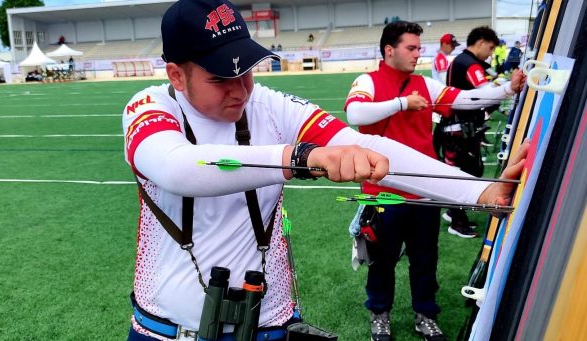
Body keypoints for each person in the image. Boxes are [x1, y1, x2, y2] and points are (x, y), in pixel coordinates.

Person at [122, 2, 528, 340]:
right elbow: (176, 168)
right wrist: (301, 158)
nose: (240, 90)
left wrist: (478, 192)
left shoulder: (266, 102)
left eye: (245, 70)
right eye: (220, 78)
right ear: (176, 74)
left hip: (268, 324)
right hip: (166, 329)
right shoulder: (150, 106)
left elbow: (367, 146)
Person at [344, 21, 525, 341]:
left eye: (418, 48)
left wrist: (508, 89)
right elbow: (355, 114)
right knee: (382, 261)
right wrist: (402, 103)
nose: (418, 53)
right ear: (389, 50)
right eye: (411, 48)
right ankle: (379, 315)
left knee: (425, 260)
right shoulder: (367, 80)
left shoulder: (423, 84)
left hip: (427, 192)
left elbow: (465, 100)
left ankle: (425, 315)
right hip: (382, 194)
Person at [438, 26, 504, 238]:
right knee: (464, 175)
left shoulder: (462, 61)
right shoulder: (469, 64)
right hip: (459, 130)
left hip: (456, 128)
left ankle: (453, 212)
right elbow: (485, 94)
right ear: (481, 42)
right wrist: (506, 88)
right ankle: (457, 221)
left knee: (466, 172)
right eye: (491, 48)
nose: (491, 53)